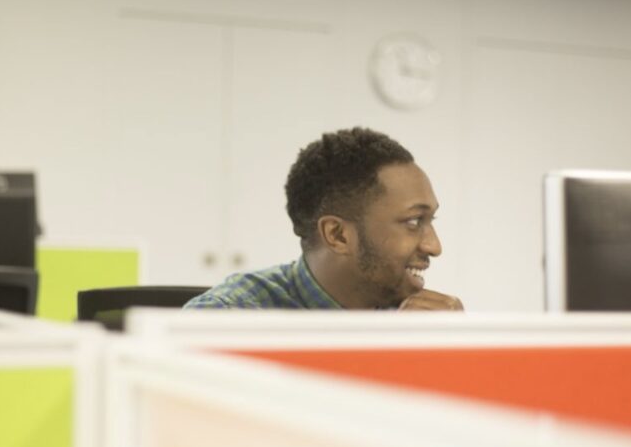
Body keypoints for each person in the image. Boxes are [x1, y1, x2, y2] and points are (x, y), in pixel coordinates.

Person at [184, 127, 463, 311]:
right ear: (338, 235)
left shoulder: (416, 318)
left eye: (431, 221)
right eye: (414, 222)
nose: (434, 246)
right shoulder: (226, 318)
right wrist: (388, 356)